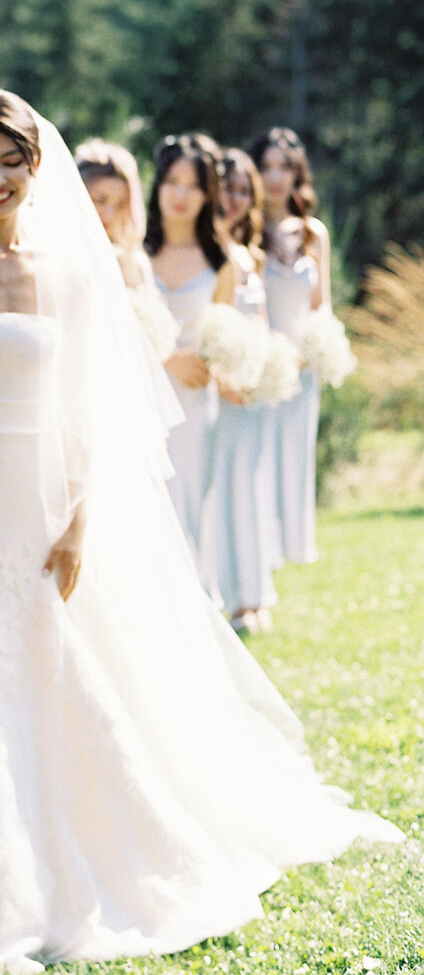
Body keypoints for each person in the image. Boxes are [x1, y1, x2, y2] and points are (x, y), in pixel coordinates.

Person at [0, 89, 398, 975]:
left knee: (61, 675)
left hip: (48, 506)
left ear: (35, 167)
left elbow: (90, 410)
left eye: (10, 162)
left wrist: (82, 518)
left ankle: (60, 859)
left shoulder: (71, 276)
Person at [146, 134, 236, 572]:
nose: (181, 195)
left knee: (193, 506)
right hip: (143, 400)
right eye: (172, 182)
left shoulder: (220, 262)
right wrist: (165, 360)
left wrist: (225, 372)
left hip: (196, 406)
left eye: (193, 186)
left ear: (208, 195)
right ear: (157, 185)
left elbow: (226, 337)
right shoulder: (135, 254)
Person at [249, 128, 330, 565]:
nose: (275, 177)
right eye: (266, 166)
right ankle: (256, 552)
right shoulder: (246, 229)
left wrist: (314, 350)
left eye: (285, 167)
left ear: (298, 174)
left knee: (294, 460)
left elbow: (323, 305)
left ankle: (292, 547)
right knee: (257, 461)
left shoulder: (313, 234)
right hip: (259, 367)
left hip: (302, 369)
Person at [210, 149, 281, 632]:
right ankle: (227, 597)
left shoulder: (250, 254)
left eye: (242, 190)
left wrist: (267, 367)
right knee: (221, 491)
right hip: (218, 392)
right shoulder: (209, 254)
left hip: (252, 391)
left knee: (249, 491)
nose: (233, 199)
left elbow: (260, 320)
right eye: (225, 189)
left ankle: (251, 595)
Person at [74, 138, 153, 289]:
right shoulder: (55, 258)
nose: (109, 214)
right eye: (100, 200)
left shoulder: (134, 265)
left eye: (120, 204)